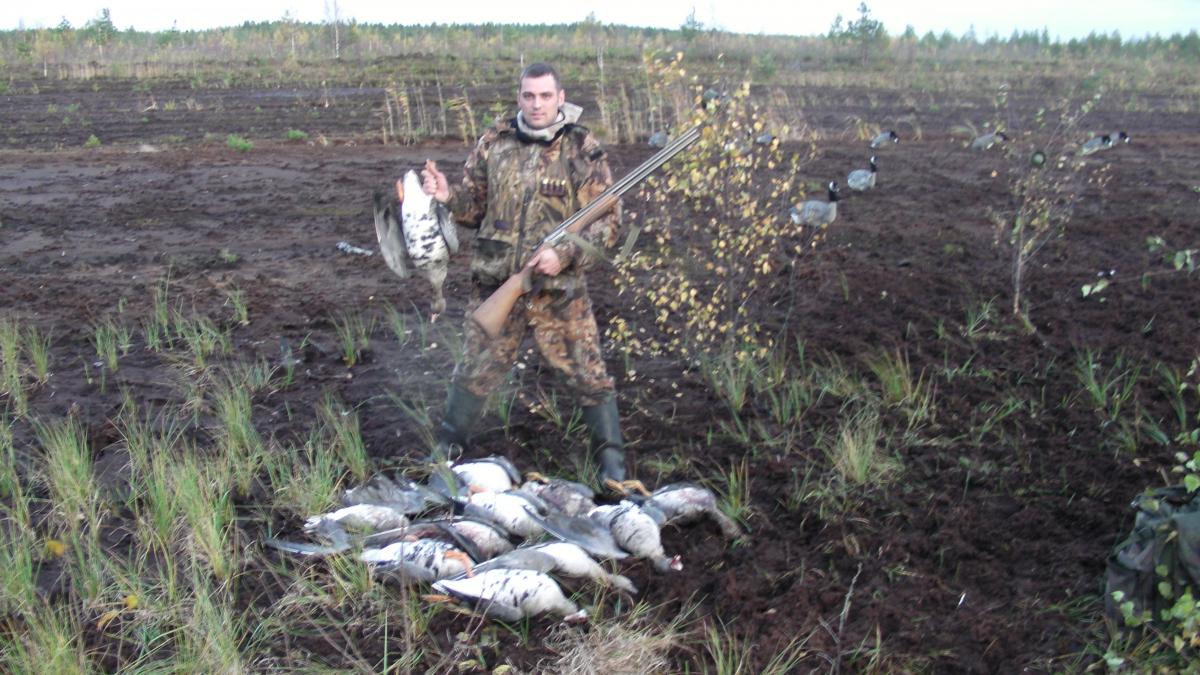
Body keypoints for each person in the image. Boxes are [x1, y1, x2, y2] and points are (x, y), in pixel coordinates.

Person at [417, 62, 628, 490]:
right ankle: (446, 449)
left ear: (560, 98)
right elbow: (473, 208)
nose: (536, 104)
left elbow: (609, 225)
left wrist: (564, 254)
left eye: (545, 96)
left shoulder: (581, 147)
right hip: (499, 284)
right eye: (529, 96)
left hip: (559, 291)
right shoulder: (494, 141)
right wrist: (447, 196)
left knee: (588, 375)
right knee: (474, 369)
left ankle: (612, 468)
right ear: (519, 97)